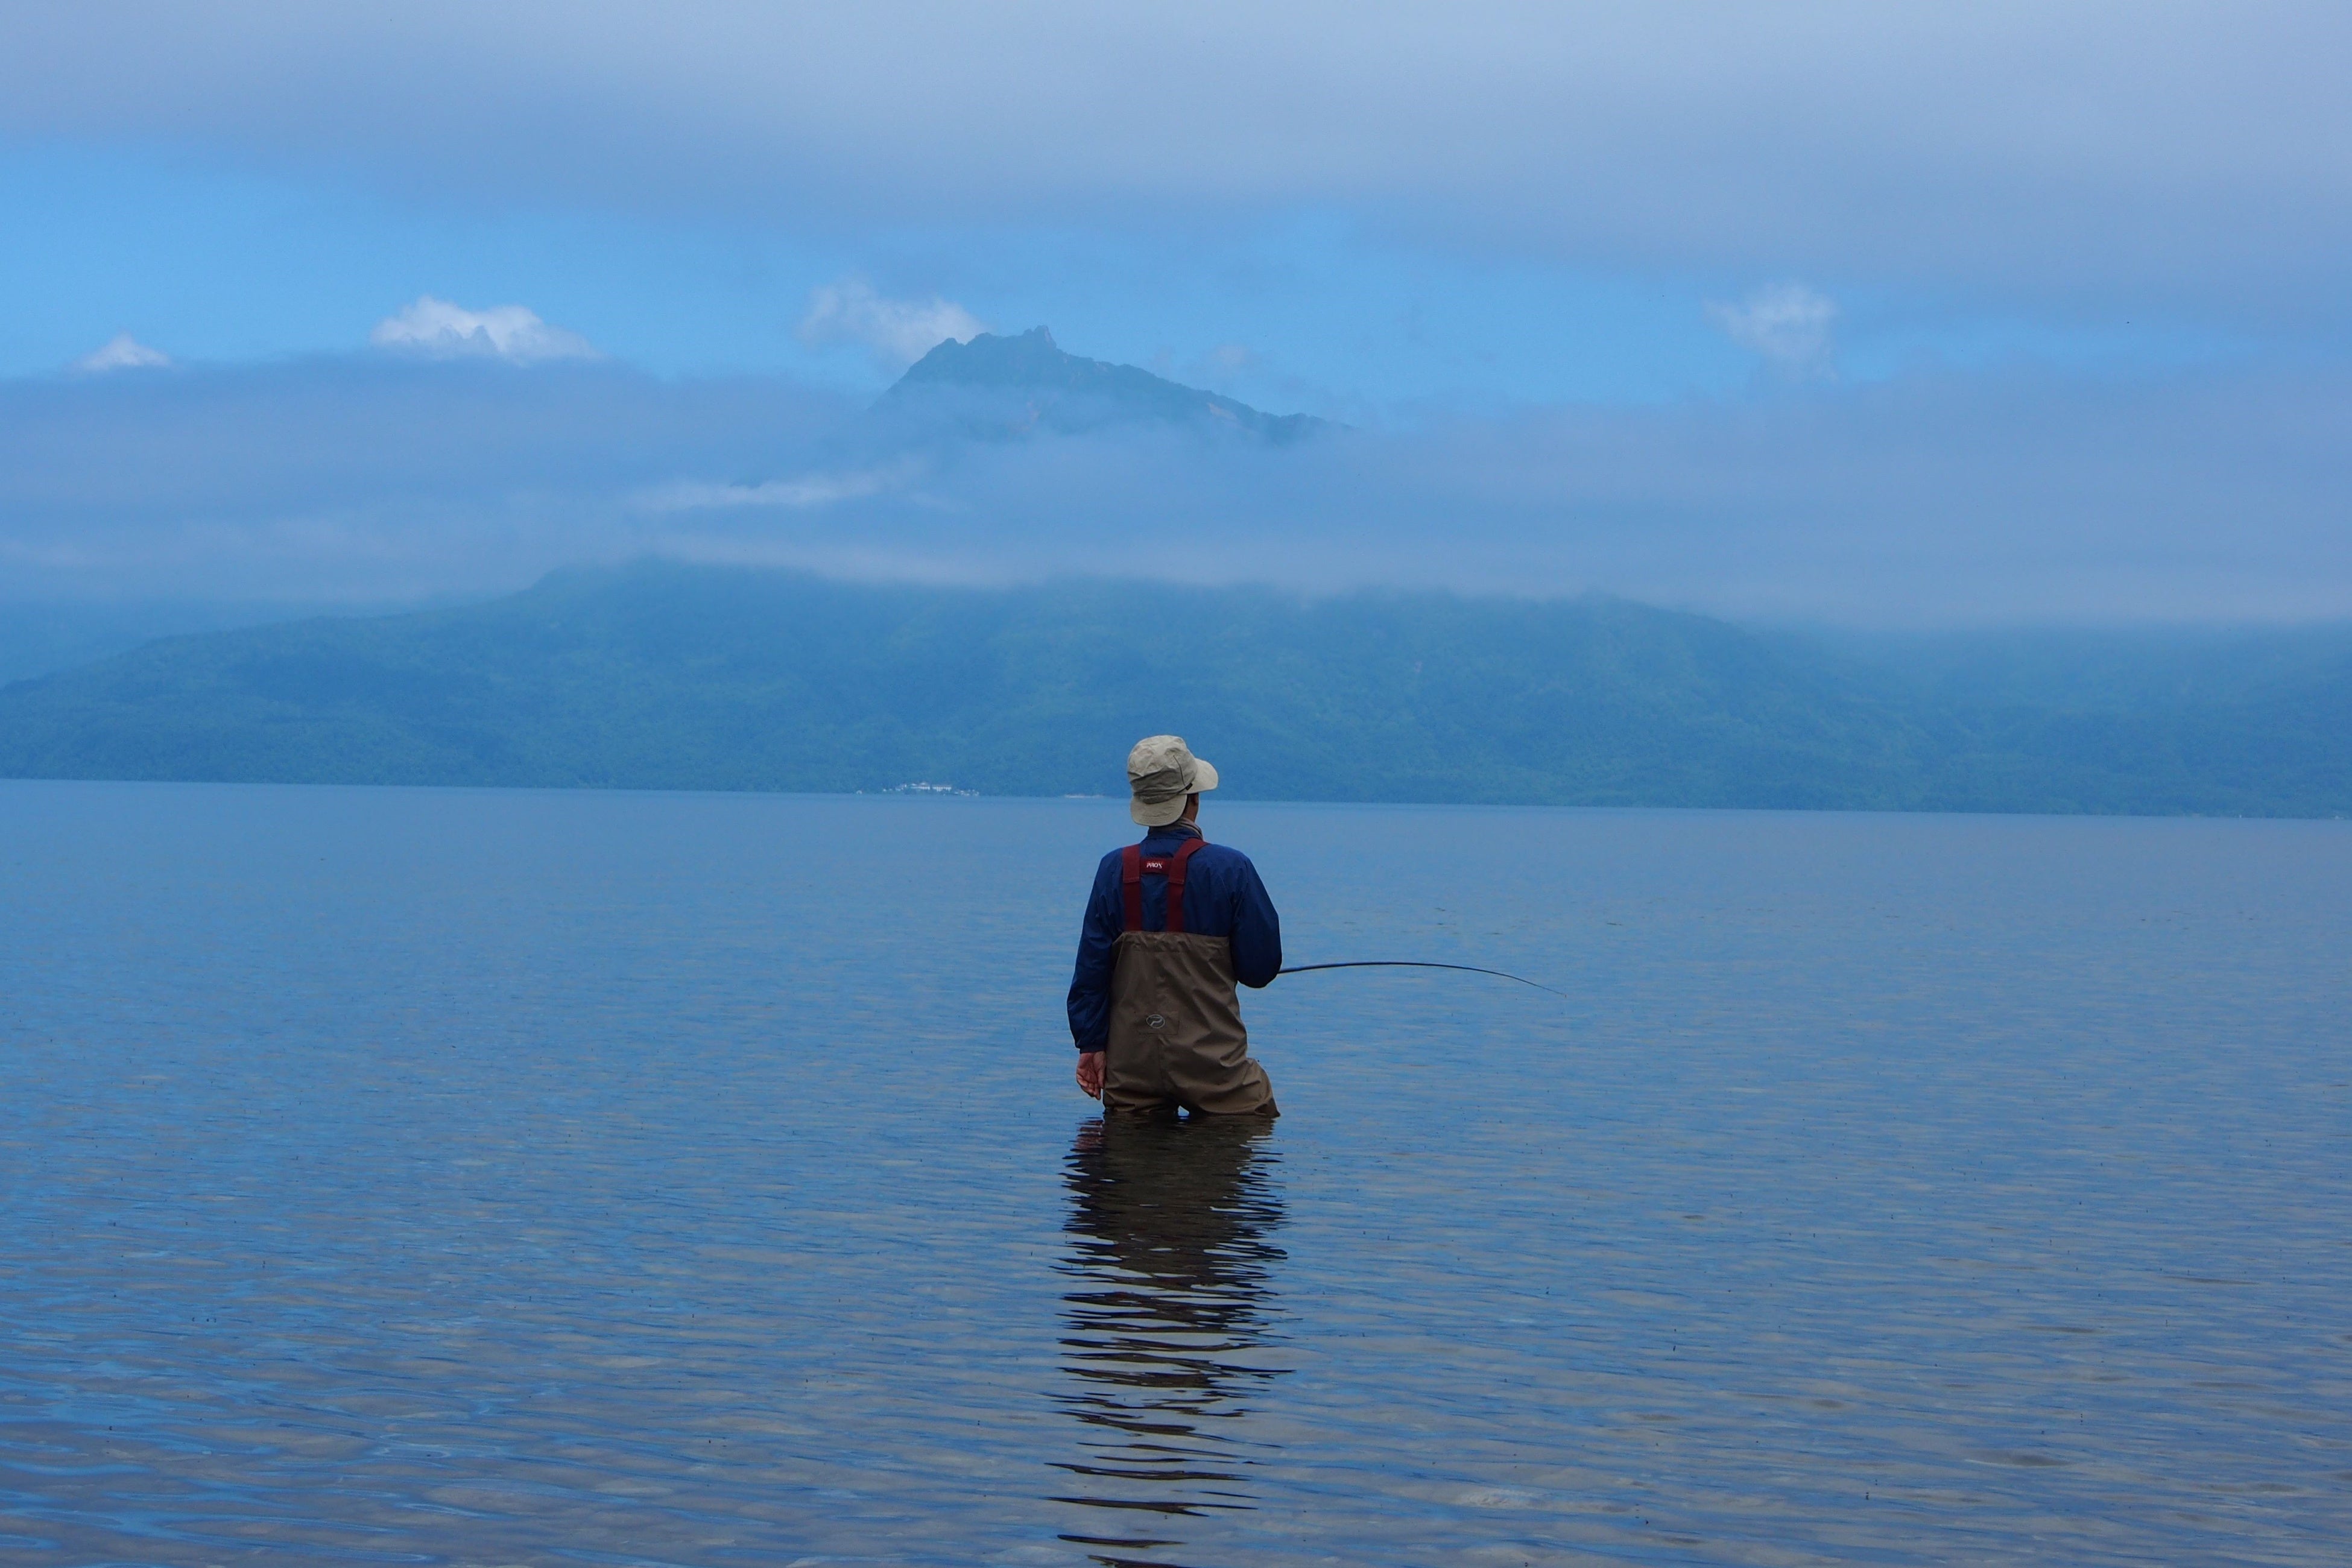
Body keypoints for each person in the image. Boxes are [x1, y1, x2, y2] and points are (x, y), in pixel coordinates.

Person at [1066, 735, 1281, 1117]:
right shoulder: (1232, 870)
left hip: (1131, 1068)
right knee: (1254, 1122)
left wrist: (1091, 1046)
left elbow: (1090, 972)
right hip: (1215, 1066)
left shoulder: (1112, 870)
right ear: (1192, 800)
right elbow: (1260, 971)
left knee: (1133, 1165)